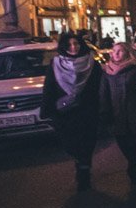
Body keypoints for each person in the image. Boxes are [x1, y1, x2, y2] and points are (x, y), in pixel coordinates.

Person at [42, 32, 103, 191]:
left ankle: (84, 173)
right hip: (66, 112)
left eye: (76, 43)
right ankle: (81, 164)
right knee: (71, 144)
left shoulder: (91, 63)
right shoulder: (55, 64)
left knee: (87, 143)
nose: (73, 47)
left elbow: (99, 87)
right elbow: (49, 87)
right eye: (69, 45)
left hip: (87, 110)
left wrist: (103, 108)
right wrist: (48, 109)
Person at [100, 42, 136, 185]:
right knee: (122, 142)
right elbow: (103, 94)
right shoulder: (107, 71)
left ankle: (133, 168)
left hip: (135, 112)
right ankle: (132, 162)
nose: (116, 54)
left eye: (120, 51)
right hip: (116, 114)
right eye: (114, 51)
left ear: (128, 52)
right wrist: (104, 113)